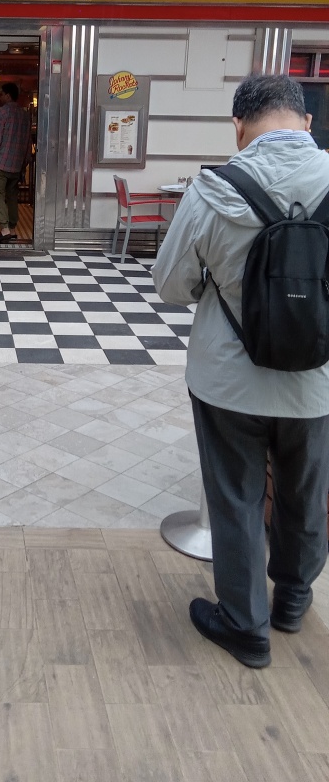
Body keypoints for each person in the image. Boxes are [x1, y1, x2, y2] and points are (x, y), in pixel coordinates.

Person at [152, 74, 329, 670]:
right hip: (317, 380)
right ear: (304, 122)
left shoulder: (212, 189)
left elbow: (171, 285)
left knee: (234, 496)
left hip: (228, 379)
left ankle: (244, 624)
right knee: (305, 493)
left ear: (238, 125)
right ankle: (294, 601)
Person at [0, 82, 31, 243]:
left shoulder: (2, 113)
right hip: (16, 165)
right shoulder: (25, 115)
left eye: (2, 94)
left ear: (8, 95)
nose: (0, 96)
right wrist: (24, 163)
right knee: (12, 196)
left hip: (0, 164)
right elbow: (27, 142)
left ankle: (4, 230)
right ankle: (12, 228)